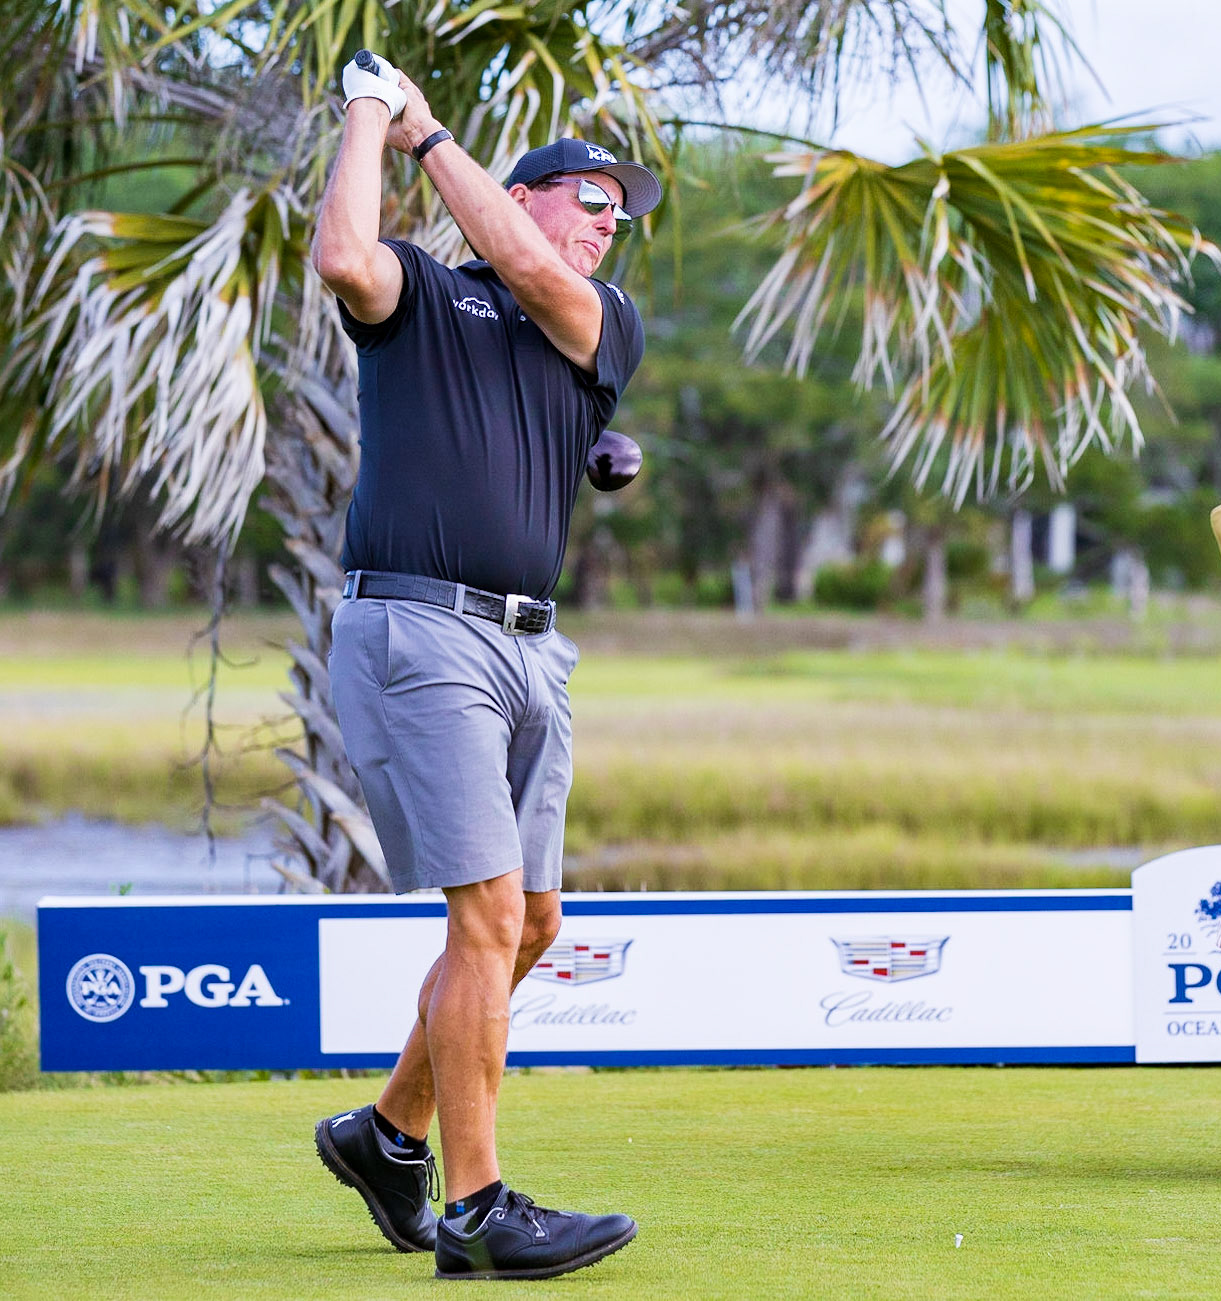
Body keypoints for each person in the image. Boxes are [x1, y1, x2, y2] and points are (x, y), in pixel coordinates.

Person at [307, 52, 659, 1279]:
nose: (609, 222)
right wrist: (371, 111)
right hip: (418, 630)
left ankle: (386, 1134)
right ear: (522, 195)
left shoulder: (600, 320)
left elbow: (536, 274)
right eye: (591, 198)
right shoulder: (423, 295)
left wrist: (428, 132)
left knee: (533, 921)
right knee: (490, 912)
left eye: (621, 211)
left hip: (532, 649)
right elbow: (344, 257)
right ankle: (477, 1208)